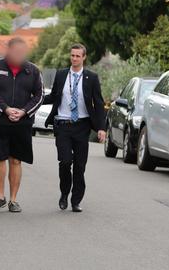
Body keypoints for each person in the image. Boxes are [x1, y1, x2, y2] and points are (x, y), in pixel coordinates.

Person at [0, 38, 44, 213]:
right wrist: (5, 109)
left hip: (22, 123)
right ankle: (0, 197)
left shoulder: (32, 70)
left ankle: (13, 200)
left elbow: (39, 95)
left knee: (16, 160)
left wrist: (24, 111)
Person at [44, 43, 105, 212]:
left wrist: (101, 127)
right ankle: (64, 193)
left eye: (78, 56)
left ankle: (76, 200)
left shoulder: (91, 78)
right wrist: (34, 99)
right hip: (63, 124)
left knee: (80, 166)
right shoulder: (62, 75)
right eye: (72, 55)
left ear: (84, 57)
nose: (75, 58)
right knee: (65, 162)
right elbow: (53, 96)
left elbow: (99, 103)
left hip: (82, 126)